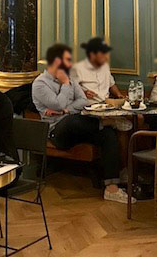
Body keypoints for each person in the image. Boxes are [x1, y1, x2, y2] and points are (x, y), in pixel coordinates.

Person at [32, 43, 129, 204]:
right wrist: (65, 86)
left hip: (78, 126)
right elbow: (58, 104)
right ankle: (107, 122)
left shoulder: (69, 78)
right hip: (56, 131)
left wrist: (65, 109)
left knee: (108, 134)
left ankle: (112, 188)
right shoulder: (40, 84)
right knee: (72, 120)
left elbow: (82, 101)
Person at [70, 37, 123, 103]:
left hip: (107, 104)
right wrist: (84, 92)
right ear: (92, 55)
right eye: (102, 54)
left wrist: (119, 95)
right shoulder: (78, 68)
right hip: (88, 106)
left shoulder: (105, 66)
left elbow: (111, 84)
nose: (106, 56)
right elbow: (71, 89)